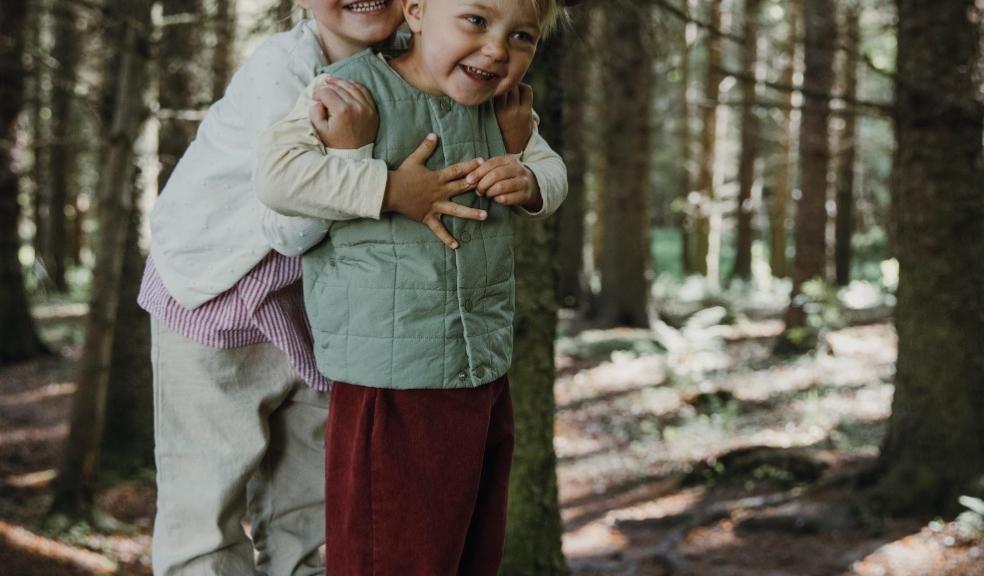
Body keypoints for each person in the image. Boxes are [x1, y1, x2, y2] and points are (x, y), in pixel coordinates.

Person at [137, 0, 546, 573]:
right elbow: (284, 226)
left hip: (316, 311)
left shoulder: (418, 62)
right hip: (211, 293)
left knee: (305, 511)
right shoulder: (283, 70)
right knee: (206, 503)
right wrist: (378, 179)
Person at [256, 0, 566, 573]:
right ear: (417, 10)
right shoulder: (350, 91)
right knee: (392, 558)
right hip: (391, 385)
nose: (498, 49)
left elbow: (553, 172)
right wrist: (388, 187)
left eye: (521, 36)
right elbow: (278, 179)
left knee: (471, 552)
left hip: (481, 371)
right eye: (476, 21)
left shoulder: (505, 107)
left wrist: (527, 172)